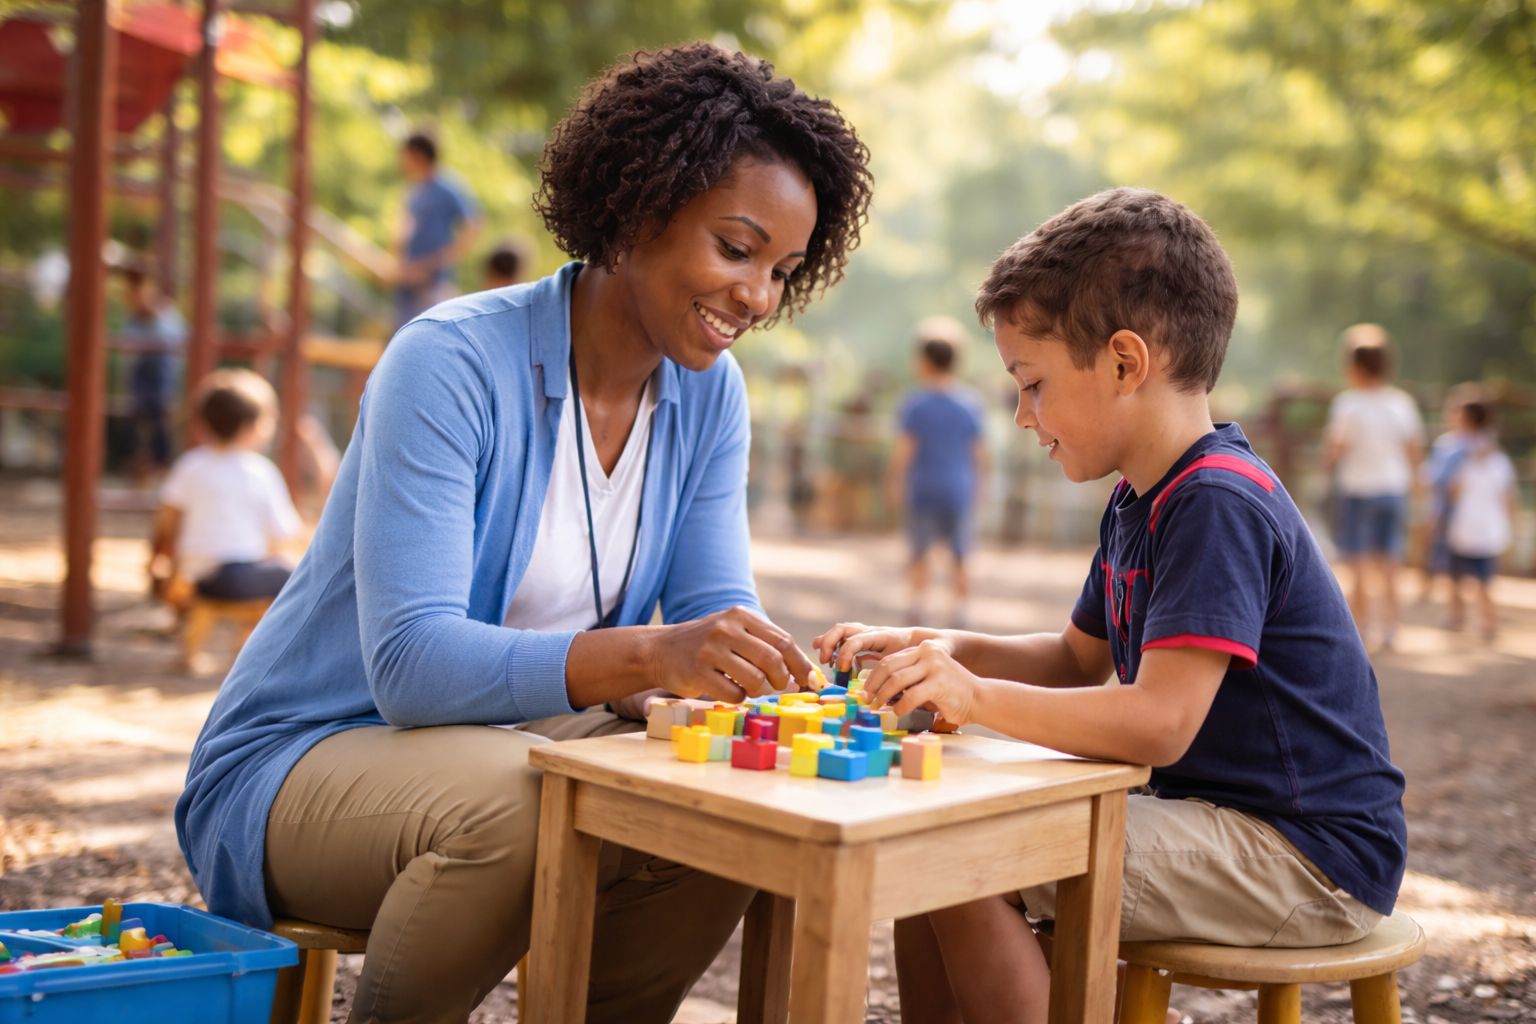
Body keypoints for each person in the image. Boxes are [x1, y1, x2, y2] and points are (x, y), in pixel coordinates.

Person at [176, 42, 872, 1024]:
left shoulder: (710, 394)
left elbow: (716, 607)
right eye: (736, 247)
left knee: (730, 809)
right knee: (524, 805)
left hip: (512, 747)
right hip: (309, 757)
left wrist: (770, 675)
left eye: (782, 269)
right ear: (638, 207)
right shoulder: (448, 363)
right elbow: (411, 666)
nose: (758, 296)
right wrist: (650, 655)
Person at [814, 189, 1406, 1024]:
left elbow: (1159, 723)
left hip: (1303, 854)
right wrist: (929, 646)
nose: (1023, 416)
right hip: (1216, 824)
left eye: (1033, 384)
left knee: (960, 848)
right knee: (936, 836)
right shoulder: (1139, 497)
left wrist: (974, 698)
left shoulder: (1216, 502)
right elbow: (1071, 659)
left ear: (1126, 363)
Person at [150, 369, 301, 605]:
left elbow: (167, 519)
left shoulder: (190, 464)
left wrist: (157, 559)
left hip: (194, 574)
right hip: (235, 576)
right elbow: (286, 532)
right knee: (299, 576)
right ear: (250, 427)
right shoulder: (260, 471)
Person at [1323, 325, 1424, 650]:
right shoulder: (1401, 403)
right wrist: (1419, 486)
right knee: (1391, 562)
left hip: (1358, 490)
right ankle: (1392, 627)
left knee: (1359, 564)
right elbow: (1414, 451)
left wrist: (1325, 468)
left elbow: (1336, 450)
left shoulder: (1348, 404)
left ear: (1355, 367)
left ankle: (1362, 626)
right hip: (1393, 489)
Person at [889, 317, 987, 626]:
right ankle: (960, 608)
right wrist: (980, 487)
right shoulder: (970, 404)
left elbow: (905, 452)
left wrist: (894, 483)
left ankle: (917, 605)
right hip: (958, 488)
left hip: (924, 488)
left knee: (920, 550)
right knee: (960, 552)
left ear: (925, 361)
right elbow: (980, 454)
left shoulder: (915, 404)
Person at [392, 132, 484, 326]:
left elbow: (474, 225)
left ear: (417, 154)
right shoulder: (415, 191)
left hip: (434, 284)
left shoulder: (447, 187)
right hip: (408, 283)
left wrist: (436, 263)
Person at [1444, 397, 1517, 639]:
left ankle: (1461, 617)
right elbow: (1509, 497)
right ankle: (1485, 621)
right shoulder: (1499, 459)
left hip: (1469, 527)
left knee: (1459, 578)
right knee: (1482, 580)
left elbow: (1451, 492)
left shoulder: (1458, 454)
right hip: (1485, 530)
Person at [1417, 383, 1484, 602]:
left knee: (1450, 556)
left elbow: (1434, 478)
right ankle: (1429, 588)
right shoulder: (1472, 446)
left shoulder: (1459, 447)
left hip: (1456, 511)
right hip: (1453, 510)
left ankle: (1449, 598)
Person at [118, 267, 186, 479]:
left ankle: (160, 465)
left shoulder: (166, 316)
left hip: (162, 377)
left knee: (159, 422)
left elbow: (175, 348)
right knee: (134, 420)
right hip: (141, 376)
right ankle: (137, 465)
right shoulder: (134, 320)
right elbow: (128, 352)